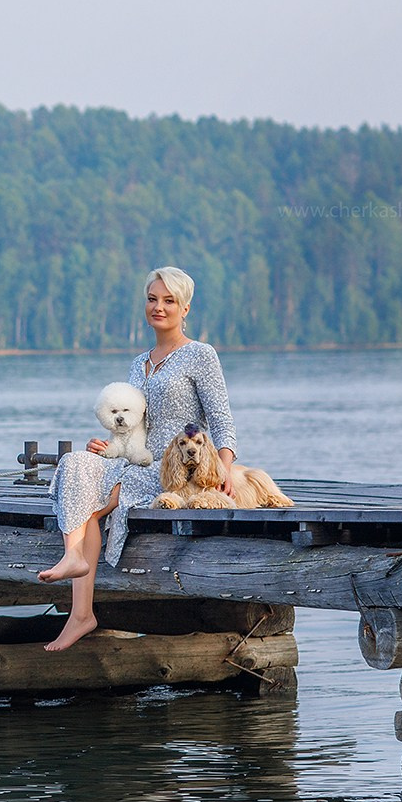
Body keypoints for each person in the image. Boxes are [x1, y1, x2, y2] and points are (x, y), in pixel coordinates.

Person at [35, 266, 240, 651]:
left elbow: (221, 418)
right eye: (152, 299)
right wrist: (110, 445)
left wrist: (225, 465)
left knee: (93, 503)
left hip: (172, 467)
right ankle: (74, 561)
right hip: (133, 457)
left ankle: (81, 612)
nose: (158, 307)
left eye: (169, 301)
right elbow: (133, 425)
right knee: (76, 463)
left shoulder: (200, 355)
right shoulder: (138, 362)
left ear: (185, 308)